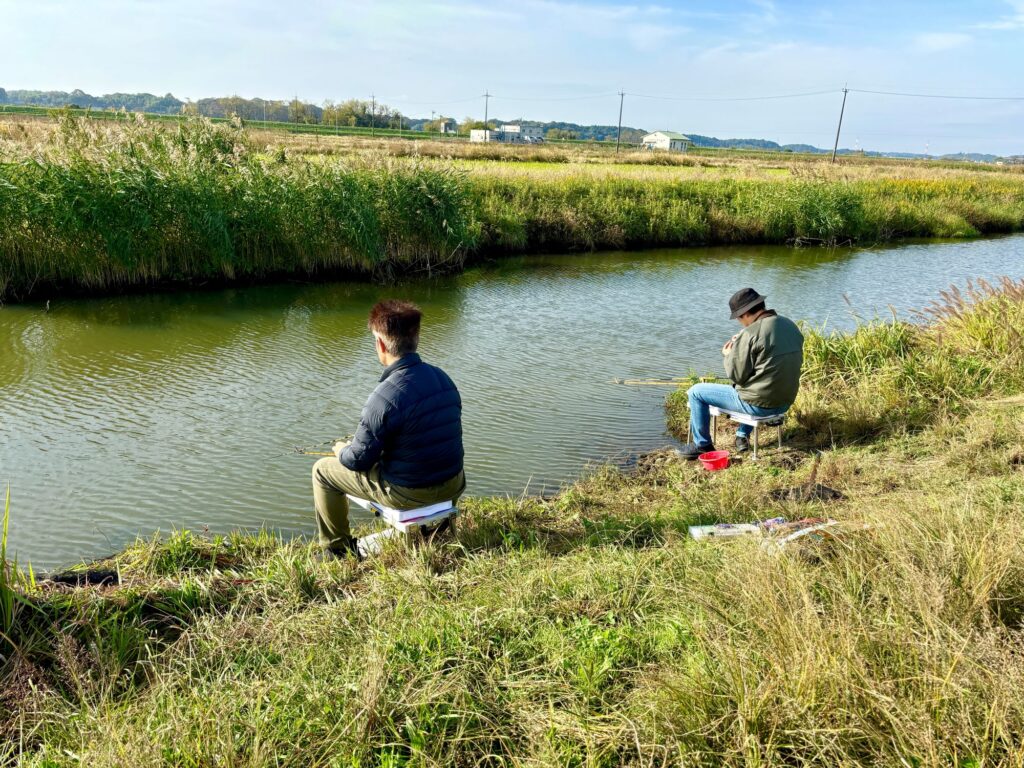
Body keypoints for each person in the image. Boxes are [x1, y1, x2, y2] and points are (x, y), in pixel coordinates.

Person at [312, 300, 465, 557]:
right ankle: (435, 531)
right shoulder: (442, 377)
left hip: (410, 492)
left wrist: (341, 450)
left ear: (380, 345)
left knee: (322, 472)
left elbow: (357, 460)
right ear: (416, 337)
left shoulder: (384, 396)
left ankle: (335, 550)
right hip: (453, 483)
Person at [677, 288, 804, 459]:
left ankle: (702, 445)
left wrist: (729, 354)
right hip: (785, 402)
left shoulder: (750, 332)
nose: (739, 322)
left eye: (738, 318)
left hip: (760, 405)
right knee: (754, 387)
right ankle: (742, 434)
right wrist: (743, 345)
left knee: (696, 391)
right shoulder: (789, 325)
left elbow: (736, 376)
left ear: (744, 314)